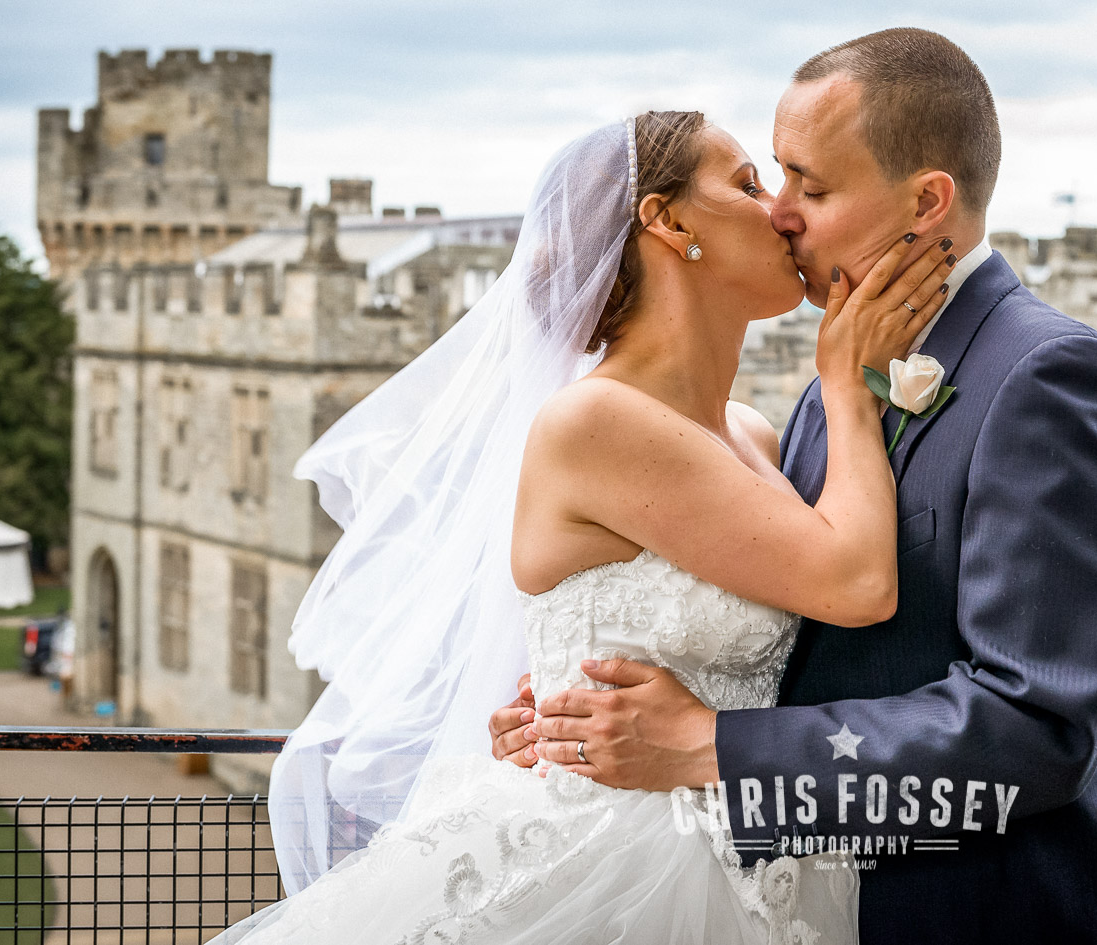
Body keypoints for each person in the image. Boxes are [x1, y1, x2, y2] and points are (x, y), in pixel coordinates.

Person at [493, 29, 1097, 943]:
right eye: (770, 181)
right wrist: (574, 707)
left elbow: (1039, 728)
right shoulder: (822, 398)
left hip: (986, 917)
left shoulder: (1047, 377)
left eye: (810, 188)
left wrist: (709, 746)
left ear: (929, 200)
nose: (781, 214)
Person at [212, 110, 954, 943]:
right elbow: (855, 582)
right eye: (748, 183)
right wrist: (849, 385)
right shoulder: (597, 420)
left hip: (755, 850)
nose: (781, 210)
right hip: (615, 861)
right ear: (669, 222)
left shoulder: (753, 434)